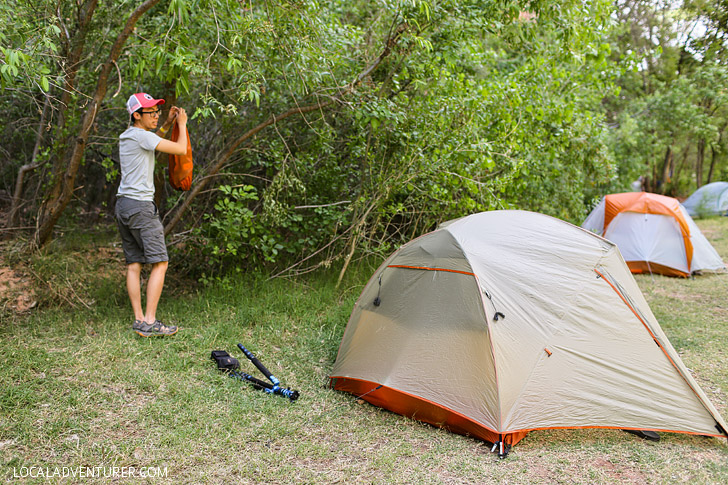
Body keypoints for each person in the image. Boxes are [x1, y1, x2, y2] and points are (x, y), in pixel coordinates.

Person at [115, 92, 188, 337]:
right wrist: (182, 125)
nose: (156, 115)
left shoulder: (128, 136)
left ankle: (139, 320)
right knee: (160, 262)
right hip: (141, 208)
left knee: (134, 263)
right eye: (151, 112)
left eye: (157, 111)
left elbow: (152, 140)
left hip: (123, 205)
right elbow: (179, 149)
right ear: (137, 115)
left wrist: (167, 124)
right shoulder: (141, 136)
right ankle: (150, 321)